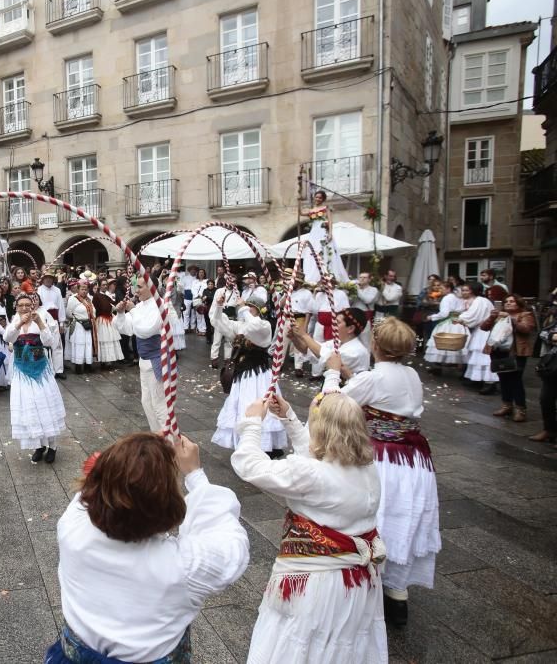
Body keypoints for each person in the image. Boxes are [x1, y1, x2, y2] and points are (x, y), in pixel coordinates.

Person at [48, 433, 249, 662]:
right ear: (168, 503)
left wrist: (128, 459)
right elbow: (231, 544)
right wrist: (195, 475)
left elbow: (91, 490)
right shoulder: (182, 567)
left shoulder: (71, 527)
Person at [232, 393, 387, 662]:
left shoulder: (313, 476)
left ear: (322, 430)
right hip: (358, 584)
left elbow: (250, 466)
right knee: (342, 645)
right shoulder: (369, 469)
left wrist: (252, 423)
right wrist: (289, 418)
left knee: (301, 645)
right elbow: (318, 461)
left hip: (317, 587)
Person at [324, 318, 439, 628]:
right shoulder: (412, 374)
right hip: (415, 461)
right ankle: (397, 591)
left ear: (375, 345)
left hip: (384, 459)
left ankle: (366, 586)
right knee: (404, 516)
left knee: (378, 515)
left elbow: (332, 405)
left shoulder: (372, 378)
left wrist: (333, 371)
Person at [210, 301, 288, 458]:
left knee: (261, 407)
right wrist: (218, 306)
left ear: (258, 310)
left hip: (259, 376)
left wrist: (244, 309)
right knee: (243, 408)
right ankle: (247, 443)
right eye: (246, 306)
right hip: (243, 376)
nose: (245, 309)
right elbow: (217, 321)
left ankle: (265, 446)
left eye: (250, 306)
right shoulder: (240, 326)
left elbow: (254, 327)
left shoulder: (264, 325)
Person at [4, 292, 67, 463]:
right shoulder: (14, 322)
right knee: (29, 406)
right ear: (16, 307)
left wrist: (39, 322)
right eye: (20, 305)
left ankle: (52, 446)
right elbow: (7, 337)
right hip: (21, 371)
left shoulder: (40, 320)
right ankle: (39, 446)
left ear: (32, 306)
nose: (24, 308)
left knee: (44, 404)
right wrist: (19, 323)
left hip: (40, 370)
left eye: (27, 304)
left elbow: (49, 342)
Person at [114, 282, 169, 433]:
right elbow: (126, 329)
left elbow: (147, 330)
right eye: (135, 286)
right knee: (147, 403)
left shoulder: (161, 305)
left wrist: (132, 310)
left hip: (157, 360)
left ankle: (170, 443)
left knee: (159, 404)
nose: (136, 290)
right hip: (144, 361)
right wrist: (120, 313)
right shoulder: (140, 306)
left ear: (152, 287)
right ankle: (157, 438)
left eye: (140, 286)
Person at [485, 294, 536, 422]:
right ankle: (506, 404)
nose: (508, 303)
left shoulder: (526, 315)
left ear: (518, 304)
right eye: (506, 301)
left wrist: (511, 319)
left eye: (512, 301)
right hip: (498, 351)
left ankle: (520, 408)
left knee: (515, 380)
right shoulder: (499, 315)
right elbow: (484, 327)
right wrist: (492, 317)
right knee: (503, 378)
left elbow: (526, 329)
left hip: (515, 351)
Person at [291, 308, 370, 382]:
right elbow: (308, 350)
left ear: (350, 329)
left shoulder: (356, 351)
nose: (333, 325)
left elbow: (326, 357)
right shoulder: (337, 342)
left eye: (338, 322)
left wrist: (304, 335)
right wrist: (294, 338)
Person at [299, 190, 349, 283]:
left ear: (323, 199)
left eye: (320, 197)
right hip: (314, 232)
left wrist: (330, 233)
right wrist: (299, 203)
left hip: (322, 231)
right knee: (312, 251)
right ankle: (312, 276)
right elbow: (301, 213)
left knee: (324, 250)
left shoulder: (326, 208)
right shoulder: (311, 210)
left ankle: (328, 274)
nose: (318, 199)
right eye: (316, 197)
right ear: (314, 197)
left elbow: (330, 221)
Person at [457, 282, 498, 395]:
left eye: (467, 290)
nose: (465, 292)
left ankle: (490, 382)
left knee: (484, 358)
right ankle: (477, 379)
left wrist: (460, 319)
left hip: (484, 332)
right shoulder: (479, 300)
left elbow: (473, 316)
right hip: (479, 330)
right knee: (477, 357)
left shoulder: (480, 301)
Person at [307, 277, 351, 379]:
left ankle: (330, 371)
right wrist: (314, 294)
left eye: (327, 282)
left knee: (331, 347)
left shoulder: (340, 294)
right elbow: (313, 309)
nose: (325, 284)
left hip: (334, 324)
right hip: (320, 323)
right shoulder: (319, 294)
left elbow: (346, 309)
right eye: (323, 282)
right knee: (317, 345)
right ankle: (316, 373)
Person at [424, 280, 466, 374]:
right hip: (458, 322)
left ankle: (437, 367)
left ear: (448, 289)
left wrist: (431, 317)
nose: (440, 290)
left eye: (442, 288)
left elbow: (444, 313)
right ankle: (460, 368)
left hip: (448, 322)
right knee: (456, 344)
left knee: (440, 343)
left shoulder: (447, 298)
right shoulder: (458, 297)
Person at [531, 292, 557, 446]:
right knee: (545, 399)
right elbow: (544, 332)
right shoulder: (554, 319)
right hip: (553, 363)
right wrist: (552, 337)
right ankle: (550, 429)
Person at [37, 270, 67, 380]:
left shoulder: (57, 290)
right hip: (43, 319)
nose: (48, 279)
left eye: (50, 277)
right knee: (45, 345)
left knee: (57, 345)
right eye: (46, 277)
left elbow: (61, 306)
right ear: (43, 279)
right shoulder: (38, 290)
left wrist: (62, 322)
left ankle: (59, 369)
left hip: (54, 319)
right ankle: (47, 369)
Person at [65, 280, 97, 374]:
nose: (84, 291)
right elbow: (68, 313)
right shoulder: (73, 299)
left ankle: (88, 364)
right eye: (82, 289)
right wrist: (78, 318)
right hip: (79, 326)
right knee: (79, 345)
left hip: (89, 325)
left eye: (86, 289)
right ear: (78, 289)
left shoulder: (89, 299)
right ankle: (78, 366)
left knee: (88, 345)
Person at [209, 280, 240, 369]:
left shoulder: (237, 292)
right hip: (220, 318)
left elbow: (237, 306)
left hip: (231, 319)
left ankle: (227, 360)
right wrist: (213, 318)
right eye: (230, 281)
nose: (231, 283)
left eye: (234, 281)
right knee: (217, 340)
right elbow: (215, 304)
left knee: (229, 341)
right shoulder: (219, 291)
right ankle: (214, 359)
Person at [92, 289, 123, 369]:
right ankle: (103, 360)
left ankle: (109, 360)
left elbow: (113, 306)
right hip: (101, 320)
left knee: (110, 339)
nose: (105, 286)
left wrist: (117, 306)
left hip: (109, 319)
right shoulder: (97, 296)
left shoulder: (108, 295)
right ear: (99, 286)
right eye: (103, 285)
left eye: (106, 285)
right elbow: (97, 308)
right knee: (103, 339)